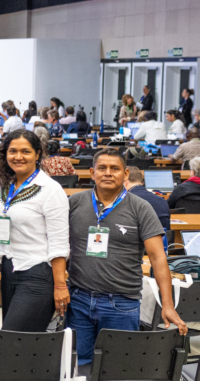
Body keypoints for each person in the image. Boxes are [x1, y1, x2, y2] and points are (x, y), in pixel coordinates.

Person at [67, 148, 186, 364]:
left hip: (121, 303)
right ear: (92, 172)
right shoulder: (74, 203)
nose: (108, 173)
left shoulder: (141, 208)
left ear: (126, 174)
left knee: (117, 369)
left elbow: (159, 258)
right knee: (77, 367)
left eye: (115, 168)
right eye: (102, 168)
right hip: (79, 300)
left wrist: (167, 304)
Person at [0, 129, 69, 332]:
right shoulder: (3, 185)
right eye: (12, 151)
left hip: (37, 273)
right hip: (9, 271)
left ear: (37, 154)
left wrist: (60, 286)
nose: (18, 157)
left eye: (25, 151)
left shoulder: (50, 190)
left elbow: (59, 242)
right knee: (22, 346)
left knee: (10, 339)